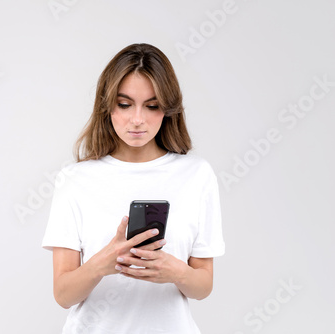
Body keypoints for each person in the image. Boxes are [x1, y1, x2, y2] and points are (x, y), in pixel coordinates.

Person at [41, 43, 225, 333]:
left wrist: (175, 271)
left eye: (152, 106)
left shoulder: (197, 174)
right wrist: (103, 263)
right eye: (125, 104)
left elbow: (203, 287)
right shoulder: (74, 179)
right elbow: (63, 294)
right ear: (107, 105)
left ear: (168, 108)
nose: (137, 119)